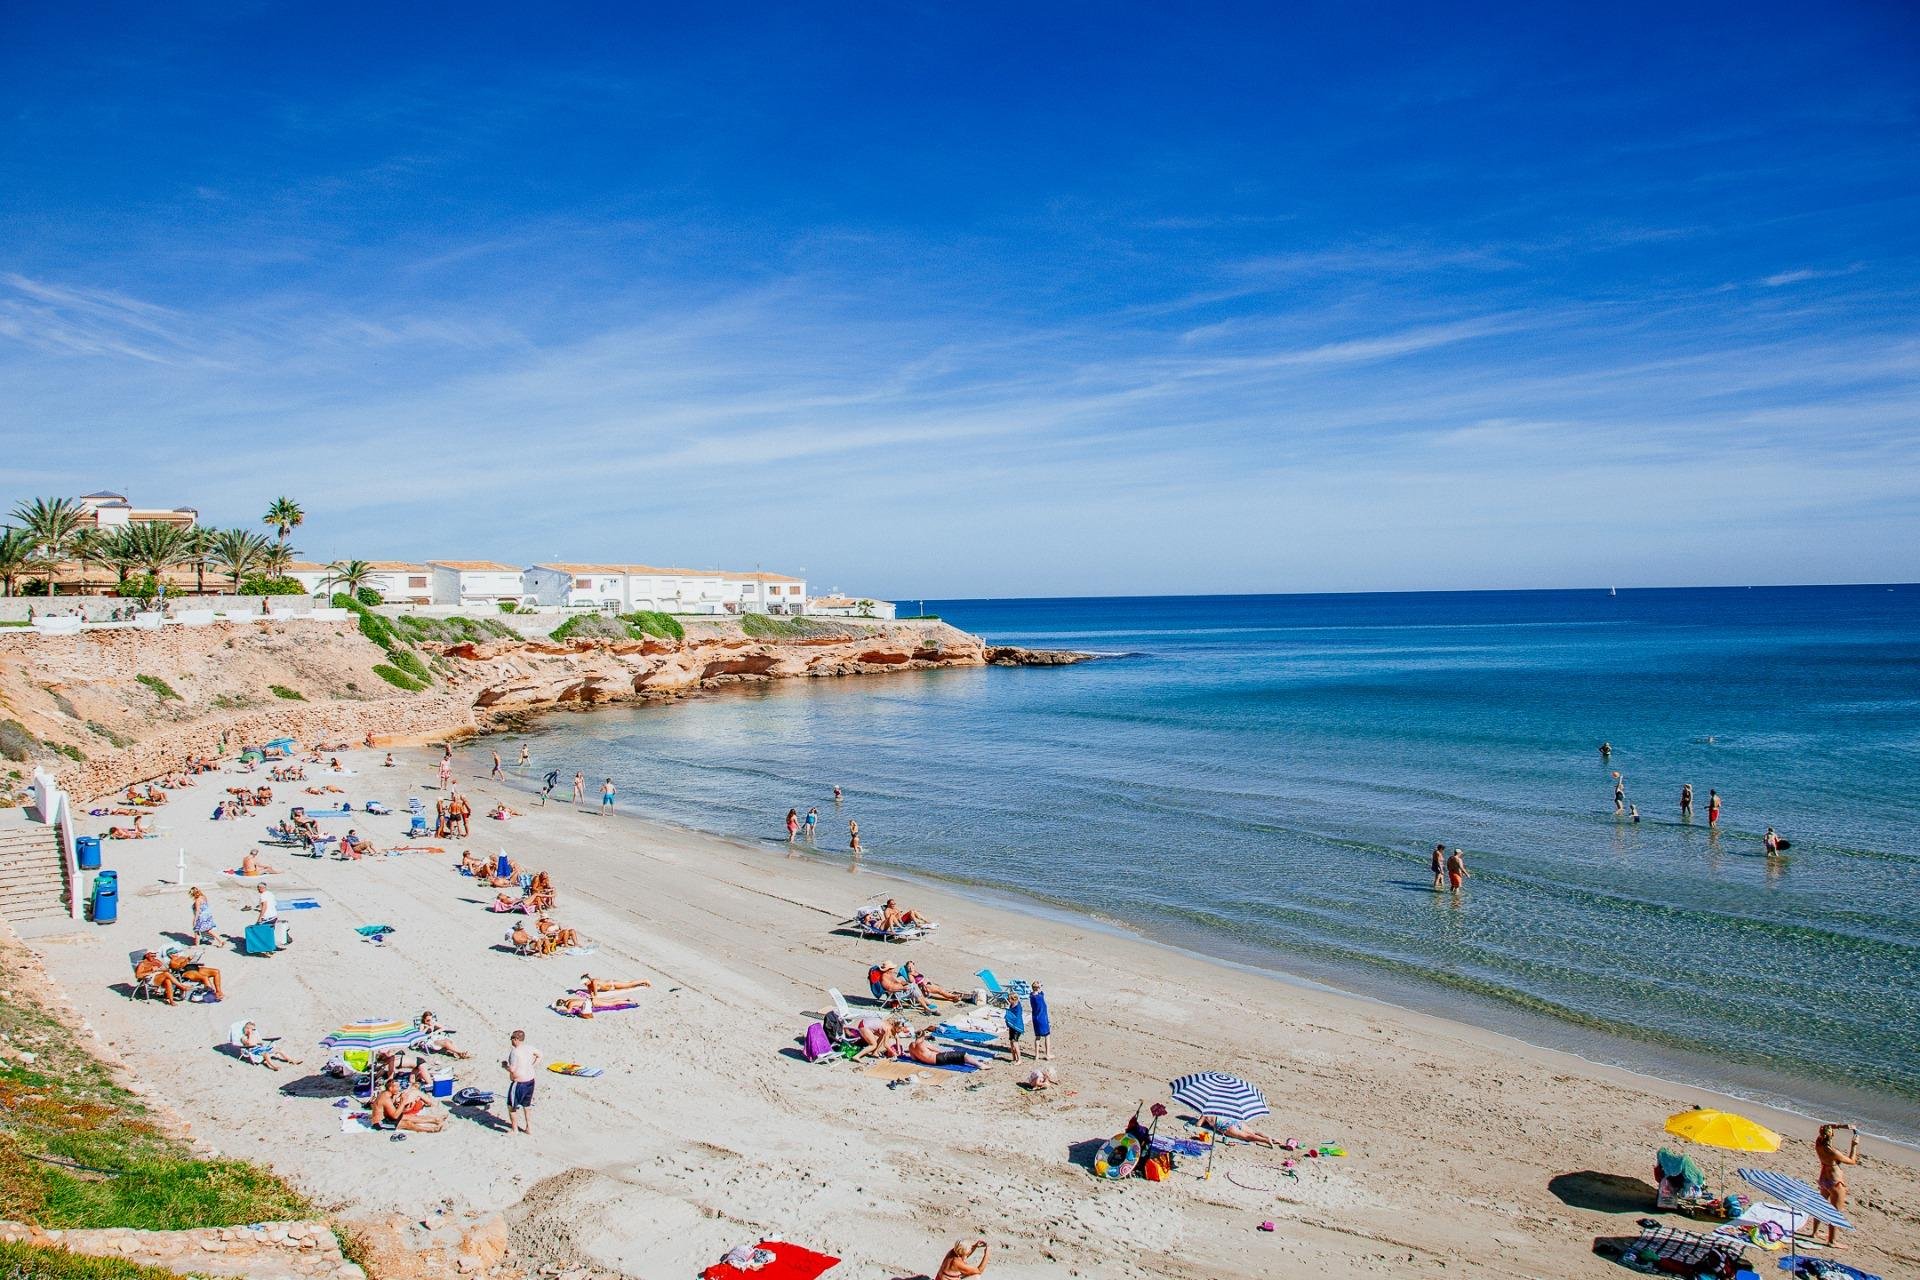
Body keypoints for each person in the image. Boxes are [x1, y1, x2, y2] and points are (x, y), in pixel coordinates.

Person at [1808, 1123, 1859, 1248]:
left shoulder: (1818, 1143)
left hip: (1824, 1178)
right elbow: (1852, 1161)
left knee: (1821, 1206)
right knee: (1836, 1211)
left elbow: (1824, 1126)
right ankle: (1832, 1241)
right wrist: (1854, 1146)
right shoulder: (1833, 1152)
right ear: (1832, 1136)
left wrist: (1842, 1126)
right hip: (1835, 1181)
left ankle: (1814, 1232)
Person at [504, 1030, 540, 1136]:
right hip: (530, 1081)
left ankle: (514, 1129)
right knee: (526, 1105)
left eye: (512, 1038)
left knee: (511, 1106)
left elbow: (512, 1069)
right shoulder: (529, 1048)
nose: (511, 1040)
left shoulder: (514, 1052)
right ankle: (529, 1128)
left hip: (519, 1083)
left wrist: (505, 1066)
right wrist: (533, 1065)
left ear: (516, 1039)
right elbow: (540, 1055)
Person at [907, 1027, 981, 1068]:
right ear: (923, 1036)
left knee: (954, 1058)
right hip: (937, 1060)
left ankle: (975, 1062)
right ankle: (979, 1065)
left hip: (929, 1061)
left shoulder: (911, 1045)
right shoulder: (924, 1043)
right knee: (963, 1055)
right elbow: (939, 1051)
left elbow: (914, 1059)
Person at [1199, 1115, 1282, 1146]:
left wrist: (1203, 1119)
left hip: (1226, 1126)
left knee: (1247, 1137)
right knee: (1253, 1132)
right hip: (1233, 1121)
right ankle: (1272, 1139)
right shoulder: (1220, 1106)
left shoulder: (1206, 1113)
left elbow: (1198, 1125)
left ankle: (1266, 1140)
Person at [1030, 982, 1052, 1060]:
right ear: (1037, 988)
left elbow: (1039, 993)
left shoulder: (1031, 996)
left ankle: (1036, 1055)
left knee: (1037, 1037)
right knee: (1047, 1035)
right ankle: (1048, 1054)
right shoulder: (1039, 997)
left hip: (1035, 1018)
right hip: (1042, 1018)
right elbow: (1041, 994)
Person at [1005, 990, 1026, 1063]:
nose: (1008, 1000)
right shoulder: (1012, 1005)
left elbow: (1016, 1017)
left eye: (1009, 999)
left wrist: (1008, 1015)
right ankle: (1014, 1058)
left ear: (1014, 1000)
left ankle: (1019, 1059)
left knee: (1015, 1042)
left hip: (1017, 1027)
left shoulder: (1018, 1008)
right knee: (1011, 1042)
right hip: (1012, 1027)